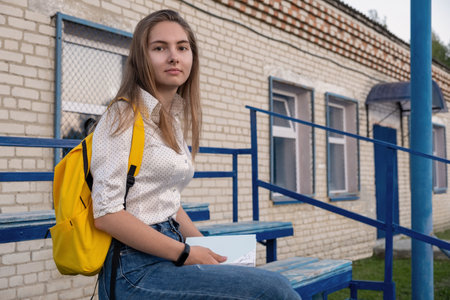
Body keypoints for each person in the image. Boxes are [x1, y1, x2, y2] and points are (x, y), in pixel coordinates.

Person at [91, 9, 301, 300]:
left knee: (273, 283)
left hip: (171, 249)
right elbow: (107, 215)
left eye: (182, 47)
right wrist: (187, 252)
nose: (173, 56)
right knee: (274, 291)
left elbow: (170, 205)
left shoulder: (170, 119)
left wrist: (207, 250)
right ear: (142, 58)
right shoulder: (122, 115)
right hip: (134, 270)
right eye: (159, 47)